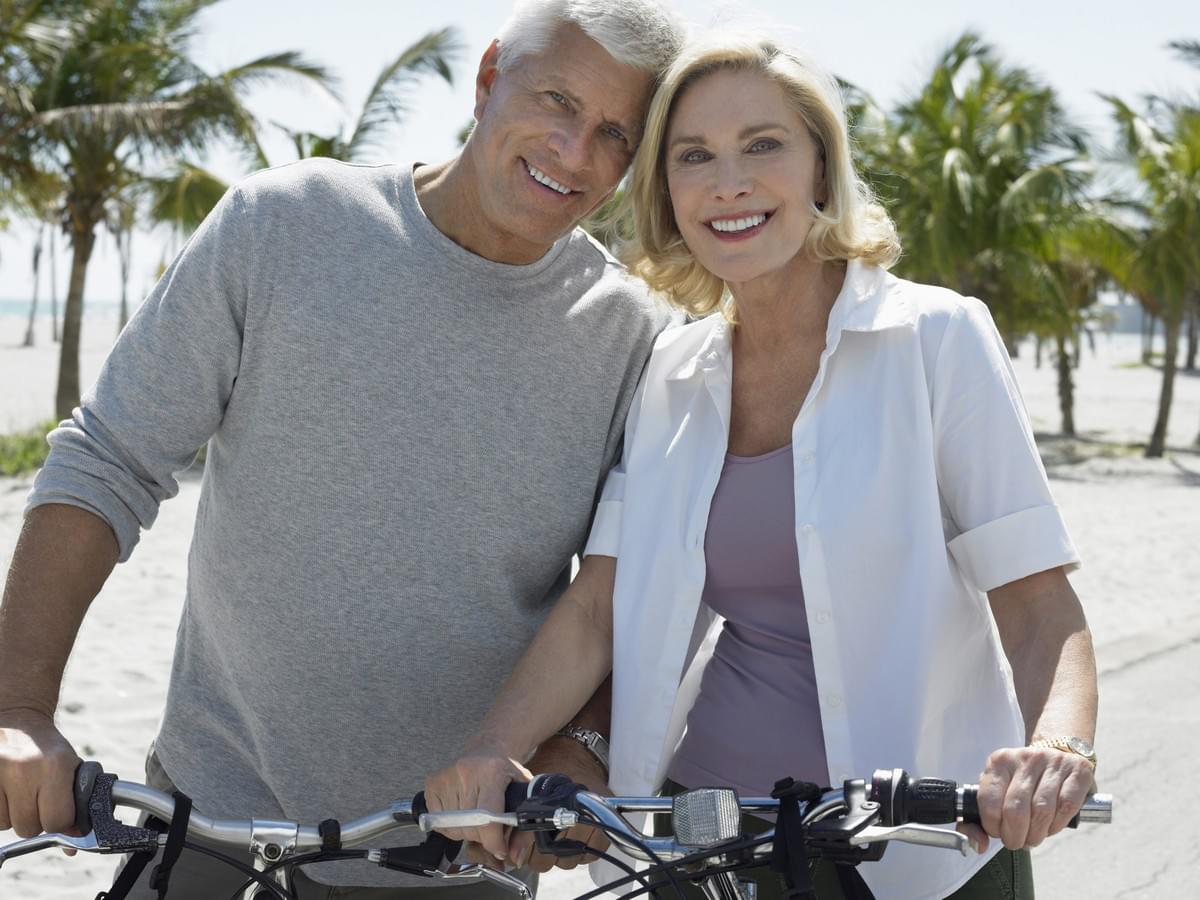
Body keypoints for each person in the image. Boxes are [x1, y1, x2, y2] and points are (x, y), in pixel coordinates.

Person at [0, 1, 684, 896]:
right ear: (487, 80)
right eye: (556, 100)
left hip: (455, 851)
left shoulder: (633, 335)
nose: (574, 151)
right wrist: (18, 706)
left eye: (614, 134)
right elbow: (109, 458)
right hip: (209, 811)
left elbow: (622, 592)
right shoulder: (283, 223)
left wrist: (580, 745)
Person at [423, 34, 1099, 900]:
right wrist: (494, 749)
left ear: (822, 166)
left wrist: (1061, 748)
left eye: (763, 145)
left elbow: (1039, 602)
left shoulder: (938, 338)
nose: (728, 183)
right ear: (667, 190)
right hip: (699, 839)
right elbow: (598, 605)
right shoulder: (671, 371)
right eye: (693, 156)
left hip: (921, 842)